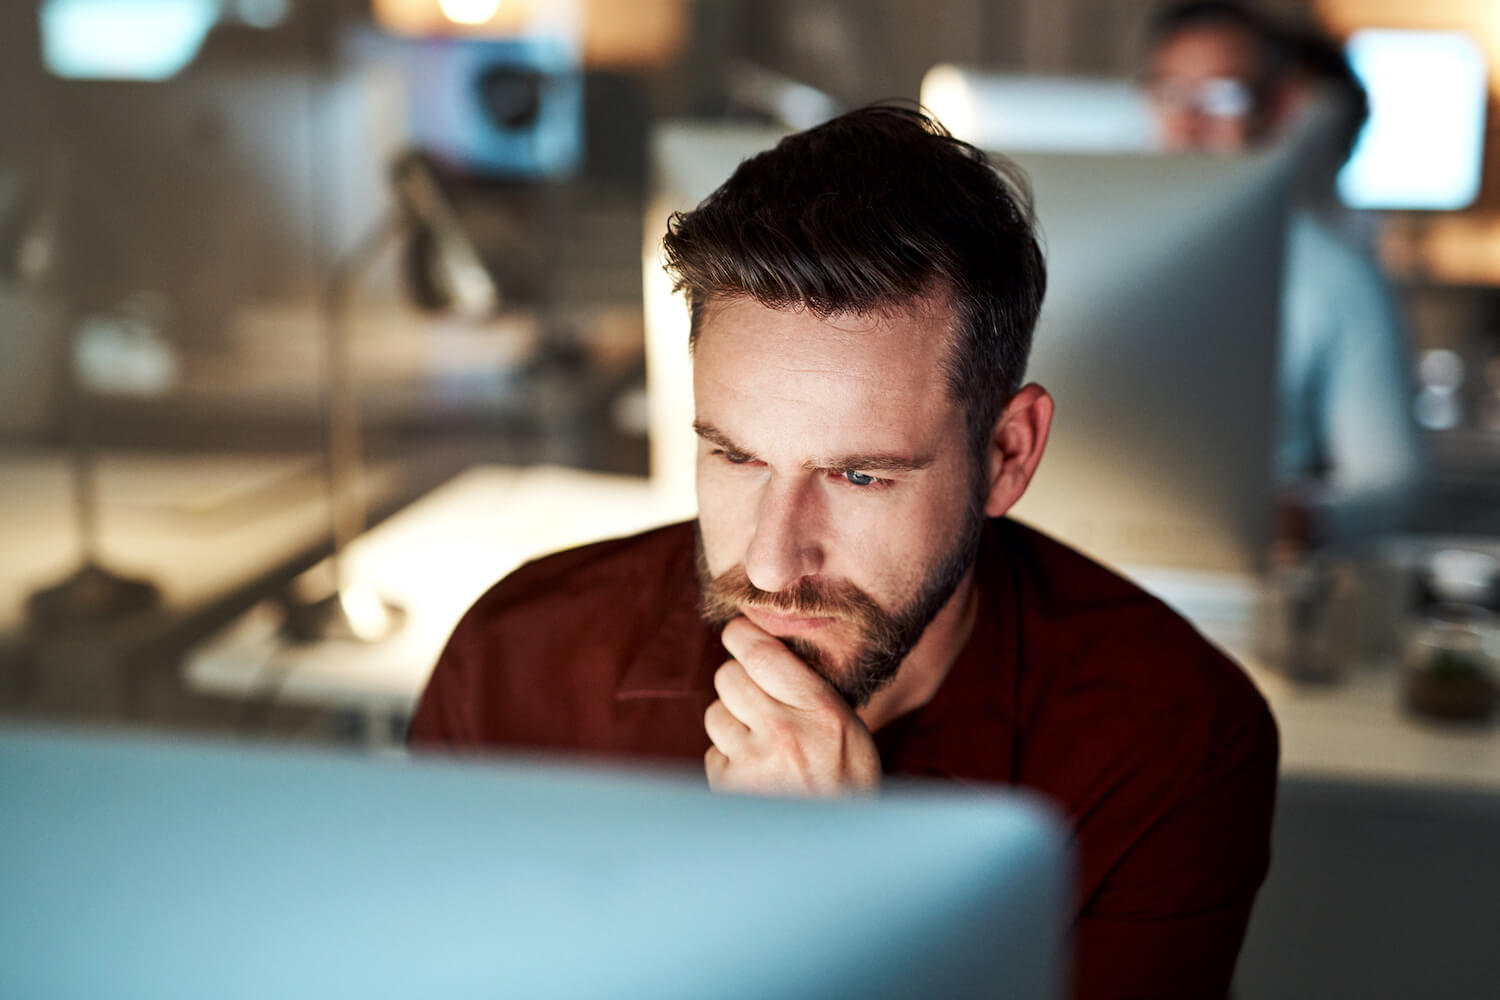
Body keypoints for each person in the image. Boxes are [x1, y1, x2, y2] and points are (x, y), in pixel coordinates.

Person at [409, 105, 1278, 998]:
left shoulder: (1173, 737)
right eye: (738, 456)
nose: (775, 565)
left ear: (1007, 455)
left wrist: (824, 889)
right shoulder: (514, 664)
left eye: (861, 477)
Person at [1144, 1, 1427, 547]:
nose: (1189, 124)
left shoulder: (1337, 277)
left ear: (1279, 109)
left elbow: (1392, 480)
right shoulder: (1083, 246)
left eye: (1222, 97)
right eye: (1170, 95)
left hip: (1246, 569)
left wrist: (1302, 519)